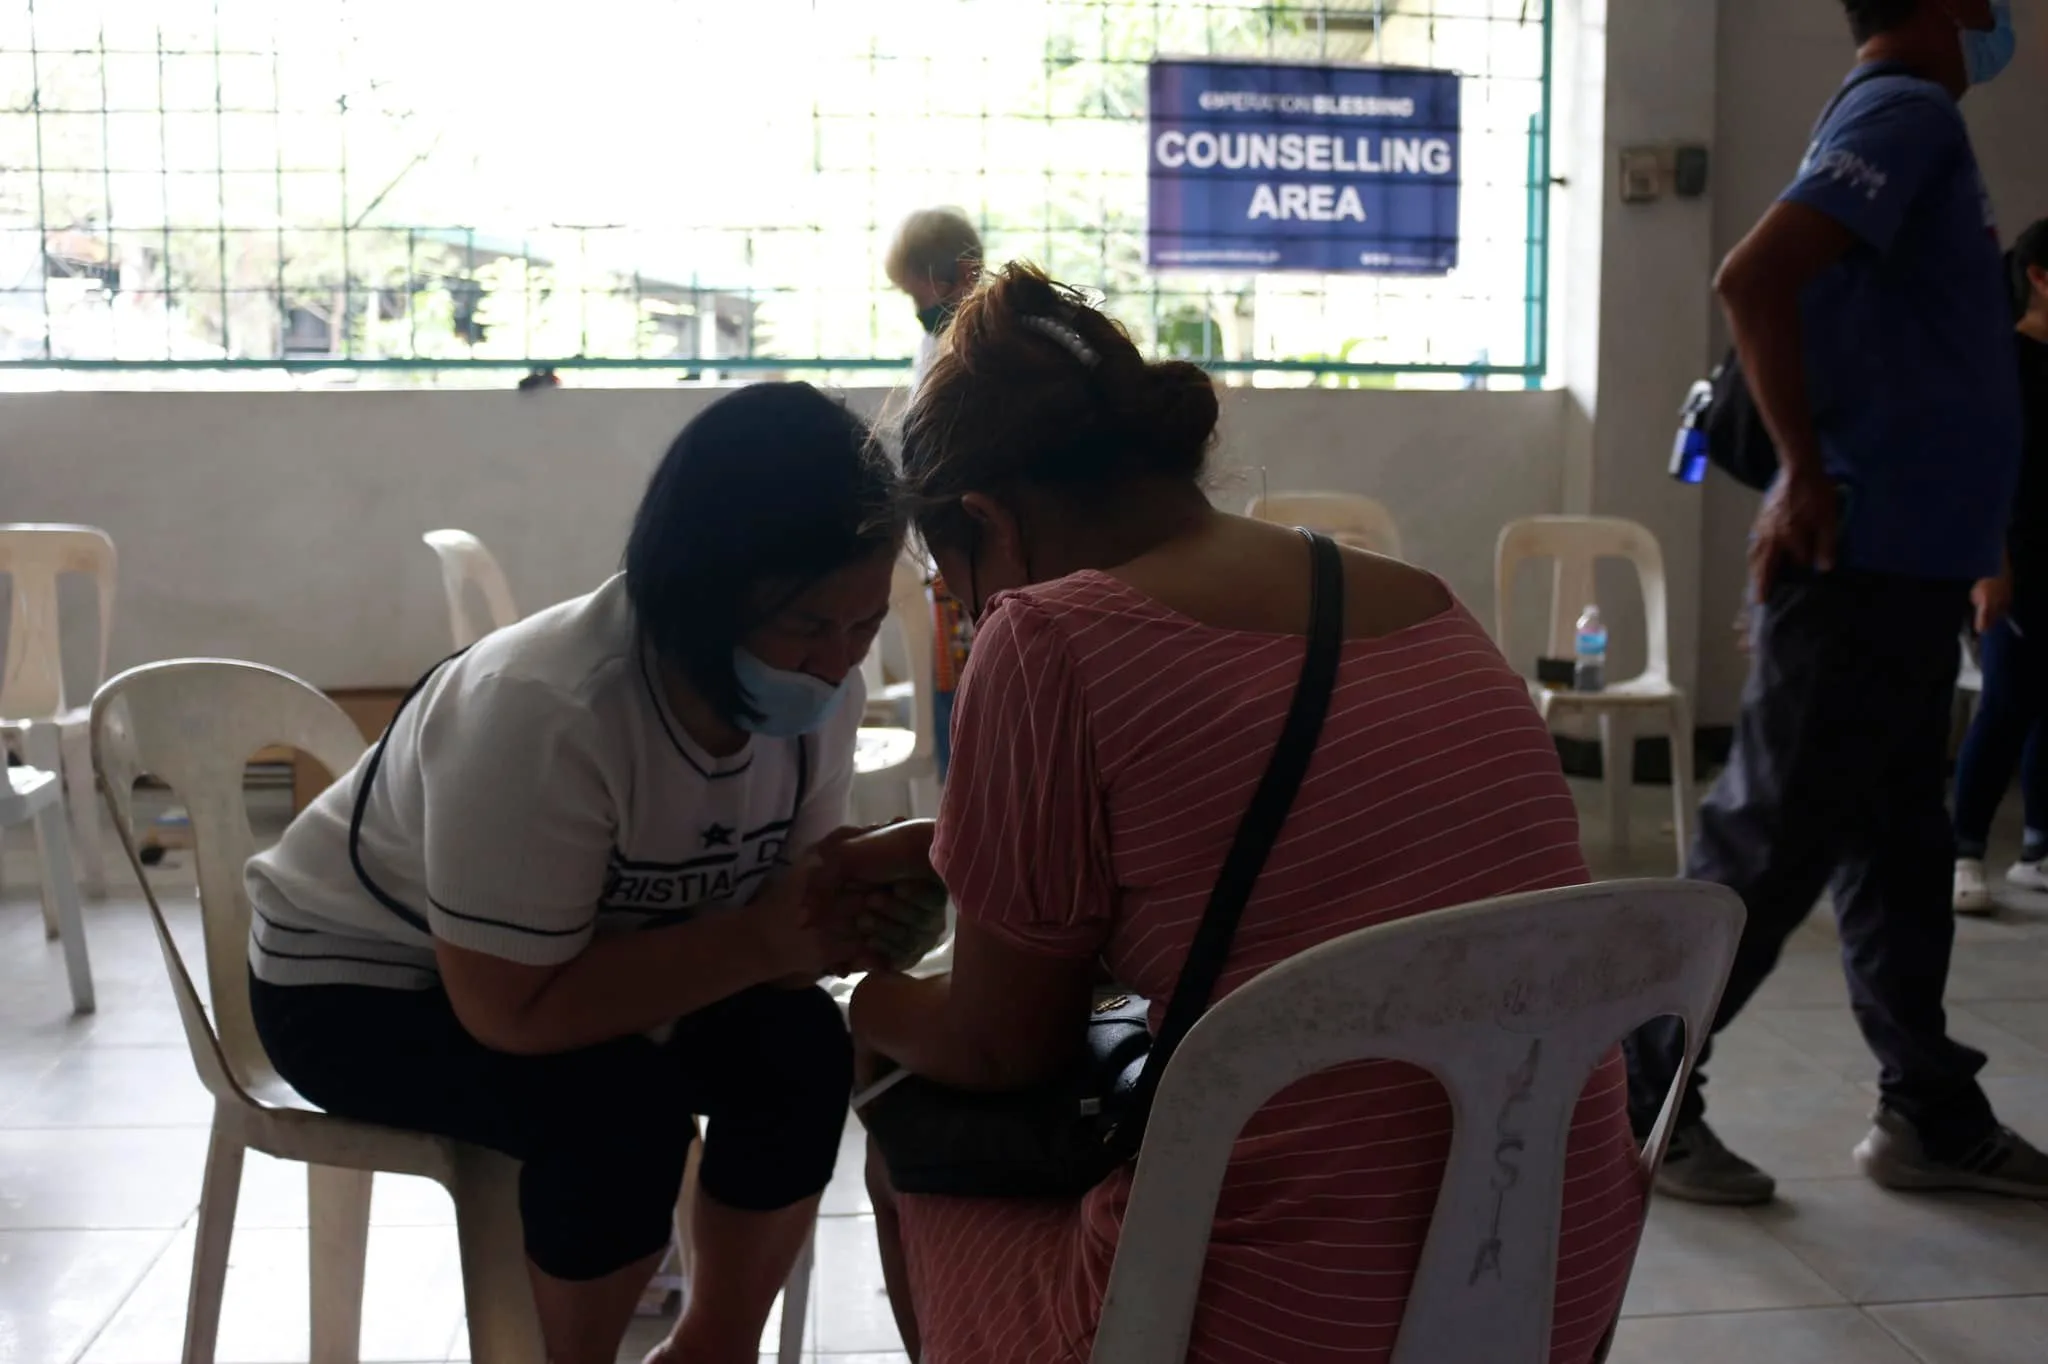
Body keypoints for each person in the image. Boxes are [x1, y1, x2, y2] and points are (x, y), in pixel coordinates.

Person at [844, 264, 1645, 1363]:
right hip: (1551, 1269)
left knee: (906, 1123)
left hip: (1280, 1315)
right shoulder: (1417, 598)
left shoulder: (1045, 636)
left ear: (984, 518)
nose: (973, 618)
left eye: (956, 588)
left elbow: (999, 1045)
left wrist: (867, 1001)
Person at [243, 383, 939, 1364]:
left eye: (861, 626)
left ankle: (713, 1345)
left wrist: (854, 904)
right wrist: (763, 937)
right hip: (352, 984)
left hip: (588, 961)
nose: (834, 663)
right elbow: (512, 1011)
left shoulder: (819, 697)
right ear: (701, 587)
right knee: (615, 1108)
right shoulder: (546, 708)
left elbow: (775, 946)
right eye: (803, 625)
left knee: (799, 1045)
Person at [1626, 0, 2048, 1206]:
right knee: (1763, 845)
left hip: (1908, 566)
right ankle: (1635, 1093)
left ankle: (1926, 1107)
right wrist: (1806, 473)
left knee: (1901, 851)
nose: (1995, 16)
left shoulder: (1902, 120)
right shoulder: (1903, 109)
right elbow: (1750, 276)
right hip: (1860, 568)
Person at [1954, 218, 2048, 913]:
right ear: (2040, 275)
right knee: (2008, 702)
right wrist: (1992, 567)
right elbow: (1985, 472)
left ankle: (2038, 852)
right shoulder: (2007, 361)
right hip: (2015, 556)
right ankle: (1964, 850)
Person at [885, 206, 985, 777]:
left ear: (960, 276)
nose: (919, 309)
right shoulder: (934, 340)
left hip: (969, 535)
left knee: (975, 693)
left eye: (919, 293)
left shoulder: (984, 345)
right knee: (952, 686)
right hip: (942, 544)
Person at [886, 206, 983, 395]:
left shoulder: (992, 347)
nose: (918, 310)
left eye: (920, 297)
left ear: (966, 276)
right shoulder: (931, 343)